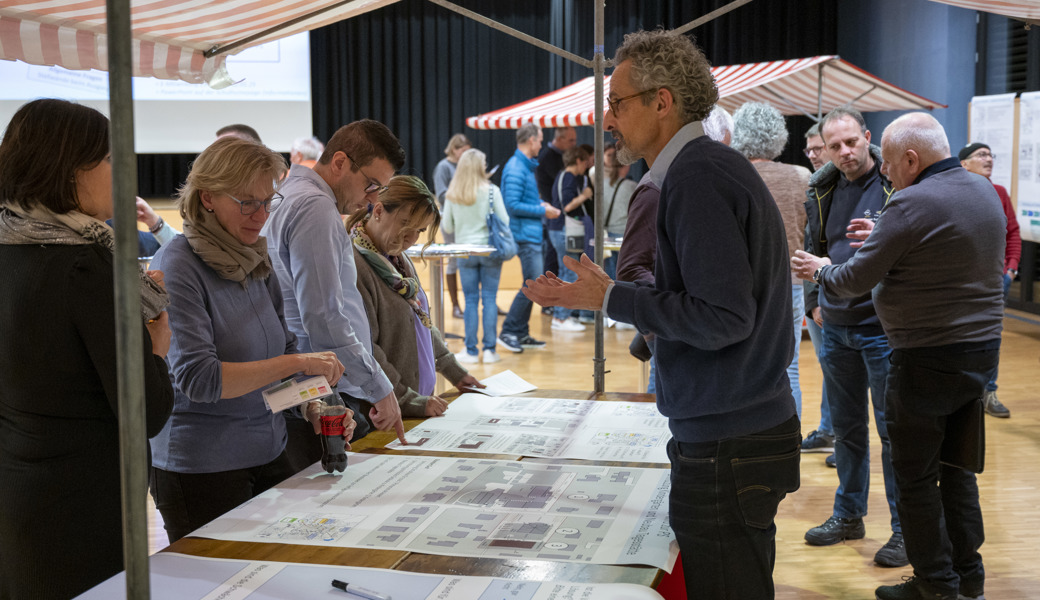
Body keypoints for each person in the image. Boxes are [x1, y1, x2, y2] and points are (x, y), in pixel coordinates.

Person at [524, 30, 800, 598]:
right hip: (737, 429)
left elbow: (723, 317)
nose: (607, 121)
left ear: (662, 101)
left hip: (729, 439)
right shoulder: (703, 169)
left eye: (617, 103)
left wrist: (608, 297)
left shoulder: (696, 176)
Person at [792, 112, 1005, 600]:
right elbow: (936, 259)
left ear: (911, 158)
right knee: (957, 471)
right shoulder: (982, 191)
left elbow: (850, 280)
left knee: (913, 478)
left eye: (888, 162)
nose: (885, 172)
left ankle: (935, 584)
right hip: (977, 356)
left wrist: (822, 270)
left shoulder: (910, 203)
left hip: (924, 357)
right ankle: (967, 576)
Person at [0, 98, 175, 599]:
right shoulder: (84, 265)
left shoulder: (11, 244)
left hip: (21, 491)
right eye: (109, 159)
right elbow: (147, 411)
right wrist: (157, 347)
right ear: (69, 168)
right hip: (81, 506)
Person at [149, 137, 349, 543]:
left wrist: (313, 404)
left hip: (269, 453)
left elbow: (284, 350)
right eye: (247, 203)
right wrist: (301, 366)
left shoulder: (257, 257)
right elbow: (201, 381)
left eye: (267, 202)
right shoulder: (177, 266)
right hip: (202, 469)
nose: (260, 216)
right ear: (207, 197)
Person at [261, 119, 408, 456]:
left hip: (306, 382)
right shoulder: (316, 207)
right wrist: (379, 388)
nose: (371, 200)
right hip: (316, 385)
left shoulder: (290, 192)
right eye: (371, 185)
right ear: (340, 162)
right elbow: (323, 318)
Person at [802, 106, 905, 568]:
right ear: (823, 148)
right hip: (837, 327)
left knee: (893, 432)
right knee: (846, 430)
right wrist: (812, 303)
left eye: (851, 142)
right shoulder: (821, 189)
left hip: (883, 330)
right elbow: (813, 249)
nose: (844, 152)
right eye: (834, 146)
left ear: (867, 137)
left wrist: (880, 236)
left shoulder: (897, 184)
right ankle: (849, 515)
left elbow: (916, 246)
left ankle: (906, 530)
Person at [616, 104, 733, 394]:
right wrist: (667, 316)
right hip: (674, 336)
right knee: (664, 420)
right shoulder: (656, 189)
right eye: (723, 150)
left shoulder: (691, 186)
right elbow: (630, 268)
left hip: (693, 333)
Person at [348, 175, 482, 416]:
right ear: (378, 211)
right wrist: (408, 400)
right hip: (390, 411)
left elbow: (423, 322)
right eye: (406, 226)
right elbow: (367, 350)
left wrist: (455, 372)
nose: (412, 239)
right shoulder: (355, 266)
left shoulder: (398, 257)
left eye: (419, 230)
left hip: (418, 404)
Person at [732, 101, 810, 420]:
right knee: (788, 368)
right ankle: (791, 442)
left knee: (741, 364)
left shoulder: (733, 174)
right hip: (791, 282)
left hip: (745, 286)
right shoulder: (802, 176)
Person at [959, 141, 1020, 418]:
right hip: (962, 281)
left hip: (998, 279)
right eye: (981, 155)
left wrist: (1011, 269)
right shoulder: (955, 193)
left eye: (989, 154)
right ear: (964, 164)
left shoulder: (999, 193)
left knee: (991, 336)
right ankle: (965, 392)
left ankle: (989, 392)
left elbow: (1013, 233)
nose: (988, 159)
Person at [498, 123, 562, 353]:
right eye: (540, 140)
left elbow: (522, 202)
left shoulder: (524, 167)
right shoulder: (516, 168)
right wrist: (542, 210)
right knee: (532, 283)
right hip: (525, 236)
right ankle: (508, 331)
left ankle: (520, 333)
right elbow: (512, 205)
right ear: (530, 140)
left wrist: (539, 204)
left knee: (532, 282)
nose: (541, 144)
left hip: (531, 234)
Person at [443, 149, 509, 363]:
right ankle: (489, 350)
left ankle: (470, 350)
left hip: (465, 251)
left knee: (470, 301)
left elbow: (447, 226)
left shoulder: (453, 194)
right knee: (489, 299)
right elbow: (505, 221)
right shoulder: (492, 191)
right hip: (489, 250)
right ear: (481, 166)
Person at [800, 121, 837, 457]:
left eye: (818, 148)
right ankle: (829, 431)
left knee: (839, 371)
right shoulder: (814, 188)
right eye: (808, 148)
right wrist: (813, 301)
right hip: (818, 295)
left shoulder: (838, 187)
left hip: (843, 297)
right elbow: (809, 246)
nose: (812, 154)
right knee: (830, 368)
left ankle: (836, 433)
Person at [548, 145, 594, 332]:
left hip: (559, 230)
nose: (586, 167)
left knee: (566, 271)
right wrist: (584, 195)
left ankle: (564, 315)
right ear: (578, 161)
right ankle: (560, 318)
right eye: (585, 163)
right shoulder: (568, 177)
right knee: (568, 273)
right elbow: (567, 206)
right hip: (563, 230)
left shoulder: (564, 176)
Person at [432, 133, 472, 320]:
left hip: (468, 220)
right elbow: (441, 195)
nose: (465, 155)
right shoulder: (443, 167)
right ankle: (455, 305)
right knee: (454, 261)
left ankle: (477, 301)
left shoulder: (466, 167)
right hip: (451, 220)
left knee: (471, 260)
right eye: (463, 151)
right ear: (454, 150)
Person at [537, 126, 578, 286]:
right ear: (559, 139)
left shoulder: (556, 156)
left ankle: (552, 302)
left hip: (557, 216)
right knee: (554, 259)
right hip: (554, 217)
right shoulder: (549, 158)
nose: (575, 144)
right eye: (571, 140)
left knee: (557, 260)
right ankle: (550, 301)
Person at [600, 142, 635, 286]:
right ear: (625, 165)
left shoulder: (601, 184)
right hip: (624, 235)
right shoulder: (632, 186)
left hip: (606, 235)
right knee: (622, 277)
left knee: (608, 277)